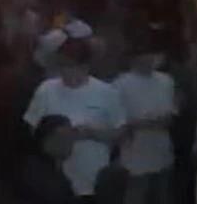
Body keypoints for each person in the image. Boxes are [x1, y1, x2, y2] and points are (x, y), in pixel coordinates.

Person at [23, 37, 126, 200]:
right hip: (53, 184)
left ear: (86, 66)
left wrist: (93, 134)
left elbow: (120, 132)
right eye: (62, 66)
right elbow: (33, 130)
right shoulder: (46, 90)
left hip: (94, 179)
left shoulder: (107, 93)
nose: (66, 72)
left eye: (71, 67)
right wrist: (58, 137)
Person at [114, 40, 176, 204]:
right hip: (134, 158)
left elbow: (170, 116)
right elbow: (120, 122)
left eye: (151, 54)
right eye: (144, 55)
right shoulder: (120, 85)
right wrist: (146, 123)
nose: (149, 59)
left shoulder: (166, 81)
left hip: (162, 153)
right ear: (133, 58)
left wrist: (154, 122)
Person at [15, 114, 78, 204]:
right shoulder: (34, 174)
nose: (70, 141)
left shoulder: (57, 173)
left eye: (71, 135)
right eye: (64, 137)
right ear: (46, 141)